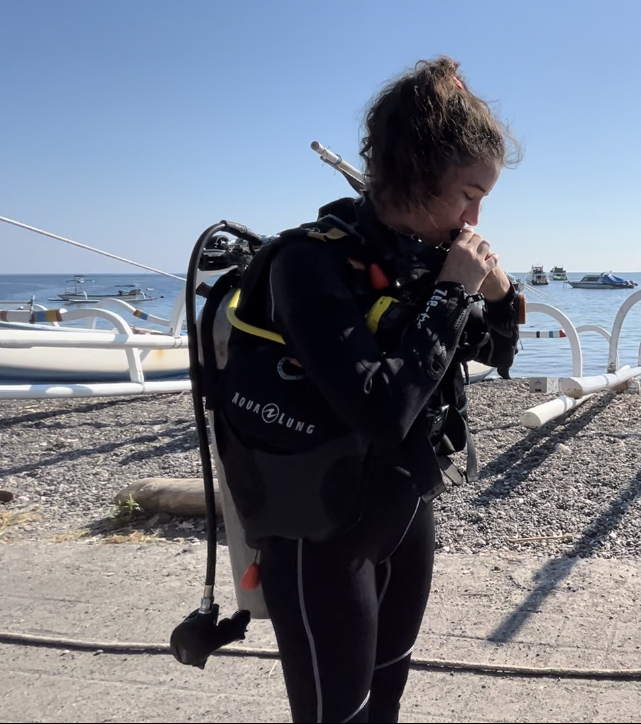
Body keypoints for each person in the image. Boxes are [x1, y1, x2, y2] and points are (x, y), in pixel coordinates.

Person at [210, 57, 520, 723]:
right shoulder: (309, 263)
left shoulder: (424, 258)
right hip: (319, 535)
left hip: (404, 509)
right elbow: (381, 410)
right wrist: (452, 293)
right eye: (469, 192)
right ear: (415, 169)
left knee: (387, 700)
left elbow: (501, 355)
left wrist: (500, 293)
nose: (477, 213)